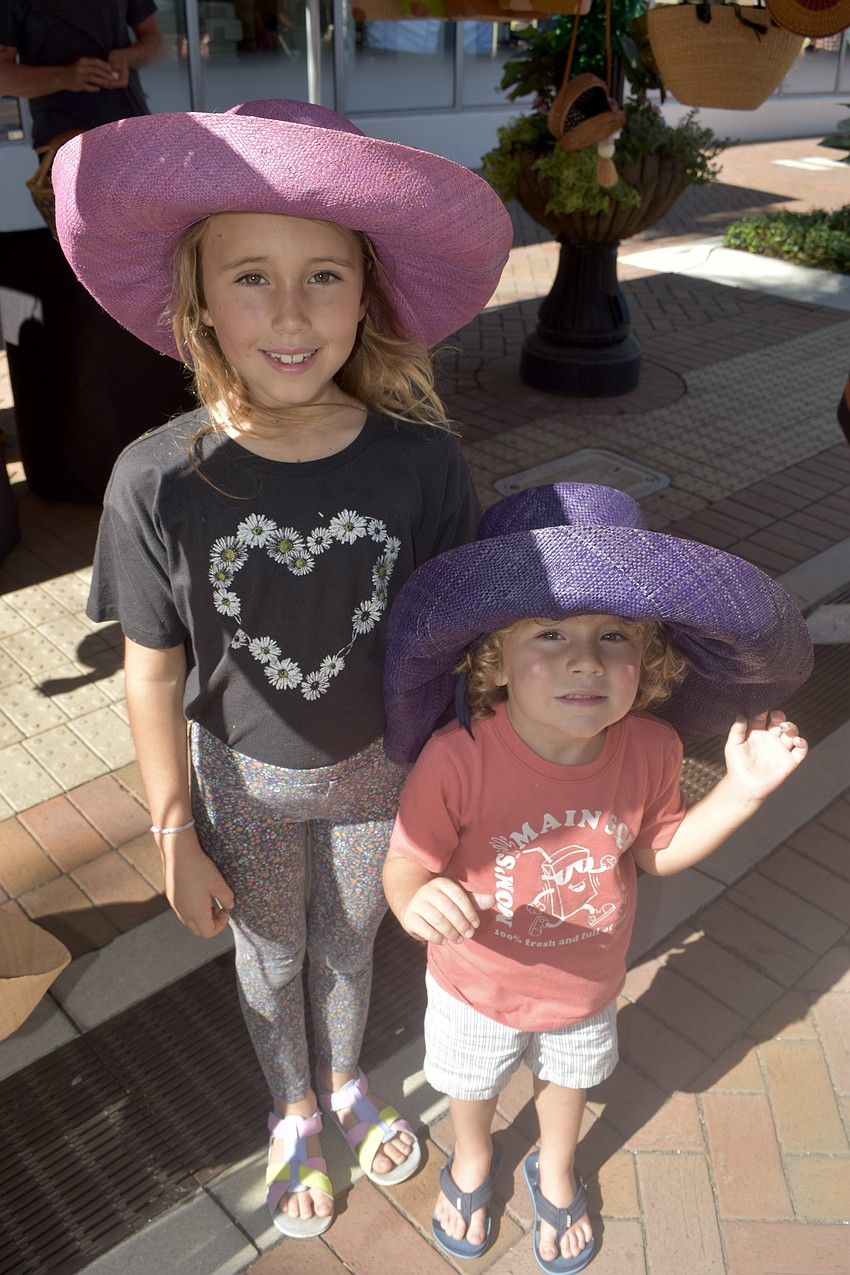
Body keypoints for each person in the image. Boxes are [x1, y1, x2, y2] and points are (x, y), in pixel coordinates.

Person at [50, 99, 513, 1238]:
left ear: (369, 293)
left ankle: (346, 1079)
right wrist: (170, 829)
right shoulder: (156, 478)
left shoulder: (425, 467)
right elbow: (152, 670)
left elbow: (454, 645)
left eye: (325, 276)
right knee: (271, 951)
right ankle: (291, 1102)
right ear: (197, 296)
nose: (292, 312)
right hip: (239, 788)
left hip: (376, 777)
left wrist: (462, 798)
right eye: (250, 276)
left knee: (351, 941)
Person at [381, 482, 813, 1272]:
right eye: (548, 631)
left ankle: (555, 1168)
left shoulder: (650, 749)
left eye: (614, 633)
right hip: (476, 981)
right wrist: (414, 896)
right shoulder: (459, 757)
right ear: (492, 661)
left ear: (646, 662)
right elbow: (405, 859)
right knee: (470, 1087)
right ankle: (472, 1162)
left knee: (569, 1080)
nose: (585, 657)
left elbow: (658, 847)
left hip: (585, 984)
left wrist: (742, 789)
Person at [0, 1, 164, 149]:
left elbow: (155, 44)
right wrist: (65, 77)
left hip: (133, 128)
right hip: (65, 138)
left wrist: (127, 58)